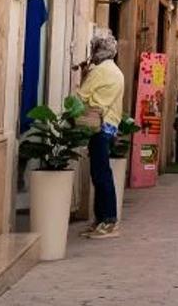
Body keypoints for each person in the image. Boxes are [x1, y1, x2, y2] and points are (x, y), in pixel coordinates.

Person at [74, 32, 126, 238]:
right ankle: (101, 220)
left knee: (101, 175)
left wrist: (84, 75)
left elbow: (81, 96)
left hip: (99, 127)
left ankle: (109, 221)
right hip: (110, 126)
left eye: (93, 48)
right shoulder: (116, 71)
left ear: (98, 50)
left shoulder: (101, 71)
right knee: (101, 174)